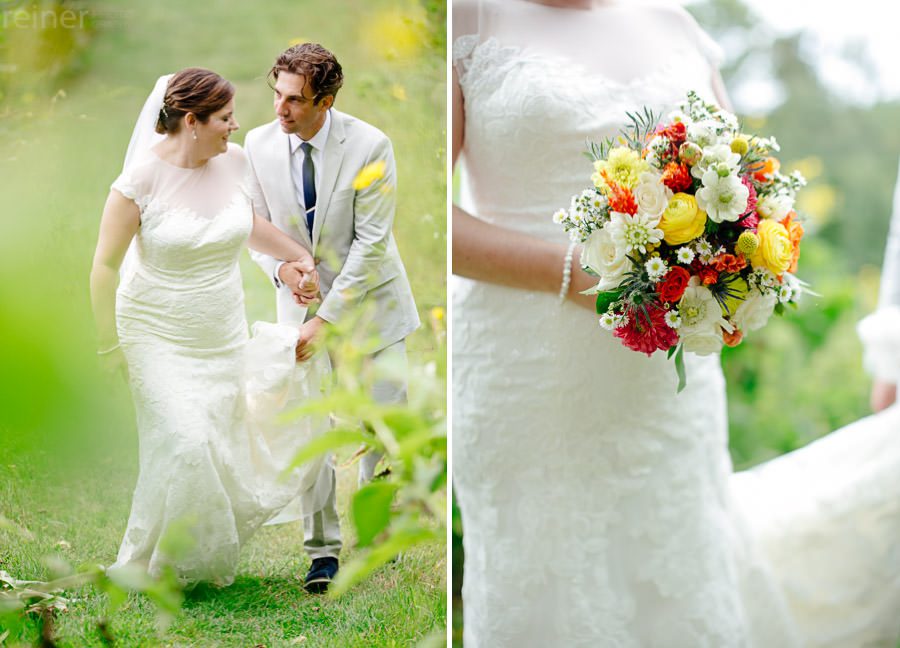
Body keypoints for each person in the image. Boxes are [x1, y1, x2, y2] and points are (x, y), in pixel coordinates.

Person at [452, 1, 900, 646]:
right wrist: (571, 272)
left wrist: (737, 271)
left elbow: (744, 180)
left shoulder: (674, 22)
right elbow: (436, 219)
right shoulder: (472, 17)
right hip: (529, 376)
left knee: (676, 566)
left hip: (667, 382)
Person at [90, 68, 329, 586]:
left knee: (208, 445)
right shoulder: (137, 183)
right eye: (225, 118)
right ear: (192, 121)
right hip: (154, 331)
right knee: (186, 441)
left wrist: (295, 255)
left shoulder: (235, 163)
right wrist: (109, 346)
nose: (235, 126)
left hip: (218, 330)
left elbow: (243, 225)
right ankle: (159, 562)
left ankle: (174, 560)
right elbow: (104, 267)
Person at [244, 43, 420, 593]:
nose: (280, 109)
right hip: (297, 314)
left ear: (326, 100)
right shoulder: (256, 144)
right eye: (276, 93)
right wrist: (282, 275)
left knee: (384, 425)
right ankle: (321, 553)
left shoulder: (371, 145)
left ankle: (380, 539)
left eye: (294, 100)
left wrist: (330, 319)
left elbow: (371, 243)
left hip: (372, 309)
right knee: (311, 430)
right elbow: (255, 230)